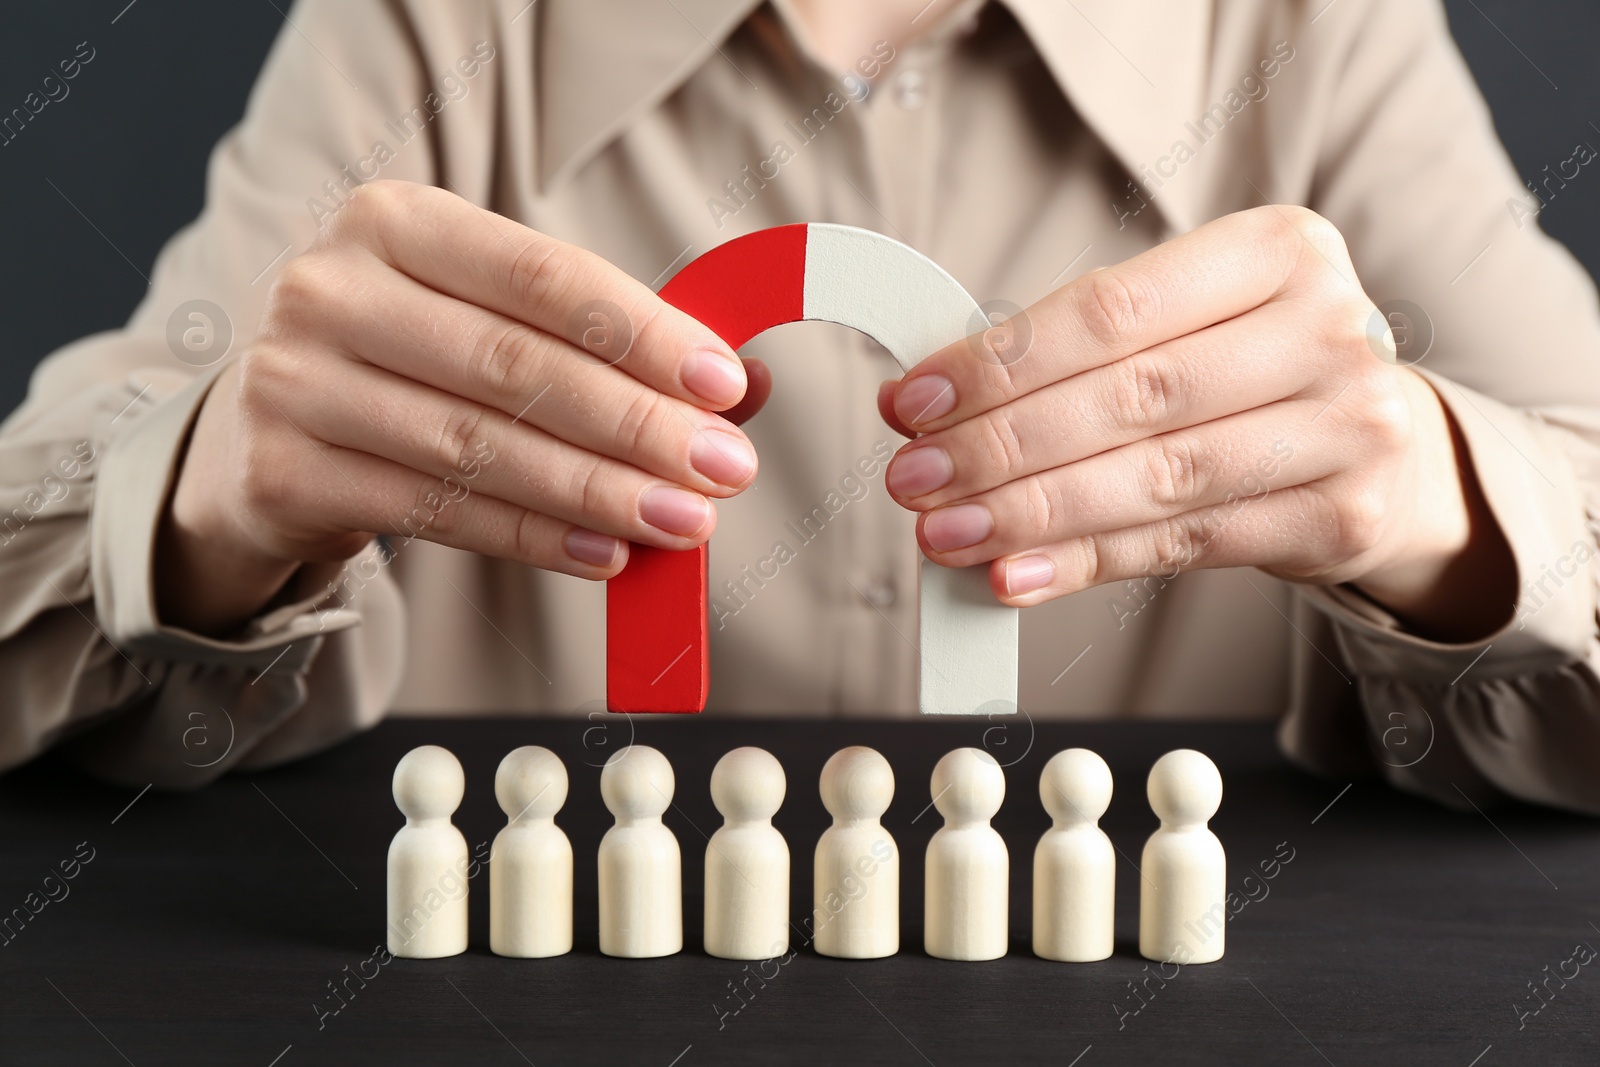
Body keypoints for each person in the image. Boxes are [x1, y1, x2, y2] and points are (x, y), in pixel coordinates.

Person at [1, 0, 1597, 812]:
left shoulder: (1311, 31)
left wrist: (1445, 506)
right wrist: (200, 500)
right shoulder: (438, 23)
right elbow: (58, 519)